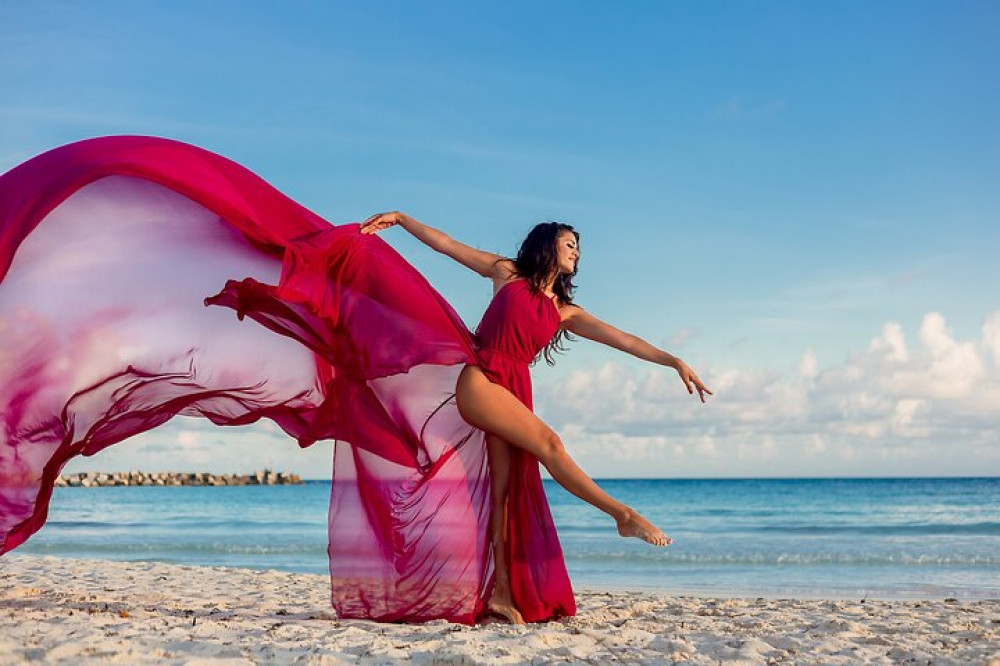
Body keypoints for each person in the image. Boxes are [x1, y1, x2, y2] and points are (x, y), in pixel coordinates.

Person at [359, 211, 712, 624]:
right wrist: (402, 219)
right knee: (551, 445)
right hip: (482, 379)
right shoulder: (507, 274)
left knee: (504, 496)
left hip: (515, 390)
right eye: (569, 245)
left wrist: (673, 361)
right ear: (548, 246)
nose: (576, 253)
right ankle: (623, 515)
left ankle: (502, 594)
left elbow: (625, 339)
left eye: (578, 248)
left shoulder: (566, 311)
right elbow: (447, 244)